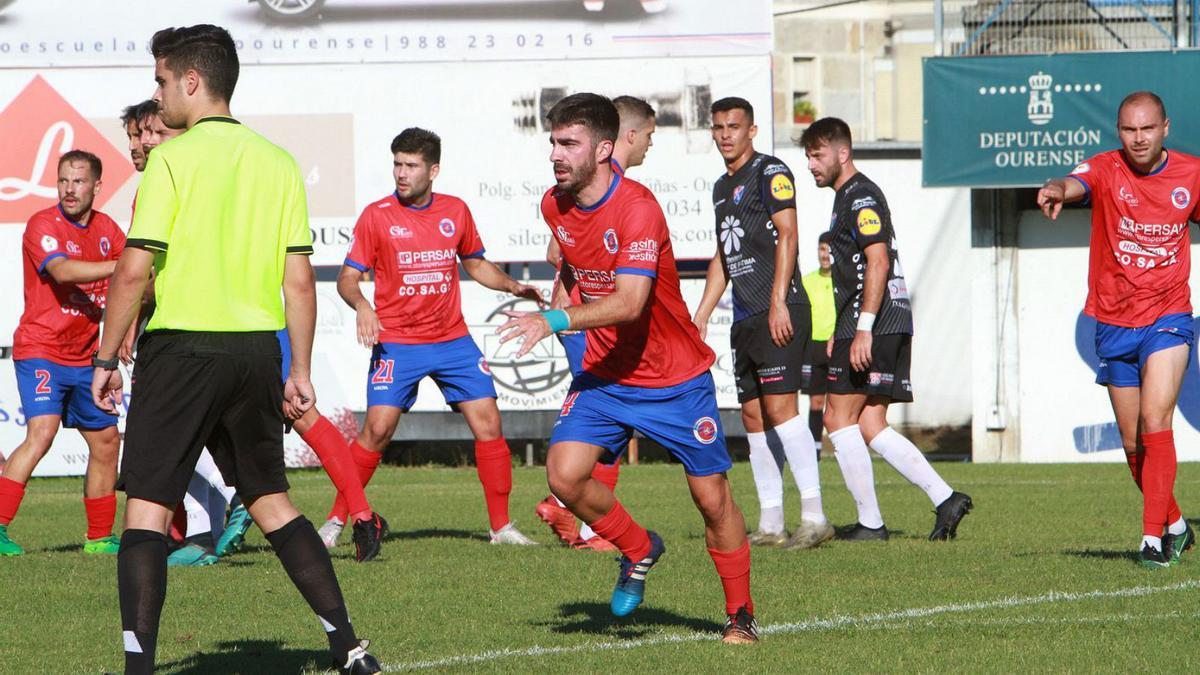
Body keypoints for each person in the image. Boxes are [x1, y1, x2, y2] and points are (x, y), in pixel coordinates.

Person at [90, 25, 379, 673]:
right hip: (254, 353)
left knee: (144, 509)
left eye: (162, 80)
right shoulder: (277, 160)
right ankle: (349, 645)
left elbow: (135, 270)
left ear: (192, 81)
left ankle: (138, 668)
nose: (157, 95)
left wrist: (107, 358)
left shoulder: (171, 158)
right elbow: (299, 278)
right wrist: (299, 366)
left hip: (182, 349)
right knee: (273, 501)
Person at [499, 93, 758, 643]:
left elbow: (632, 302)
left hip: (673, 378)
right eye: (553, 142)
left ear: (604, 148)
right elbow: (567, 258)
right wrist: (564, 303)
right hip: (606, 374)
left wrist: (554, 318)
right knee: (563, 475)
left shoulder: (638, 208)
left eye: (568, 144)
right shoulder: (554, 204)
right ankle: (639, 547)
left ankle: (740, 615)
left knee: (712, 499)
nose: (555, 154)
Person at [326, 127, 540, 547]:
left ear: (433, 169)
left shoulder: (455, 211)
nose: (401, 173)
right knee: (377, 430)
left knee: (489, 423)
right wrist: (364, 306)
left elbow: (475, 264)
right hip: (398, 343)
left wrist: (514, 287)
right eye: (397, 164)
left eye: (411, 165)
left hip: (452, 341)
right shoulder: (377, 215)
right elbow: (347, 279)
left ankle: (501, 528)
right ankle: (335, 521)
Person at [1037, 90, 1197, 568]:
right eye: (1129, 129)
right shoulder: (1107, 168)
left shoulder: (1191, 174)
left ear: (1165, 127)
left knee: (1155, 422)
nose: (1139, 138)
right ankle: (1176, 523)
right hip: (1113, 321)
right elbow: (1073, 182)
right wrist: (1054, 190)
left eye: (1147, 128)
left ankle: (1153, 541)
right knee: (1132, 445)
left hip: (1169, 317)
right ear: (1118, 131)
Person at [801, 116, 972, 542]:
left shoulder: (859, 196)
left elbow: (878, 260)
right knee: (870, 424)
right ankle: (945, 497)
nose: (811, 165)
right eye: (807, 156)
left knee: (838, 419)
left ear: (843, 153)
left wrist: (863, 329)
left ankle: (871, 525)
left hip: (873, 323)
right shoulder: (848, 197)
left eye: (817, 155)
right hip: (886, 321)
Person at [692, 97, 831, 551]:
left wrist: (778, 302)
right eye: (718, 127)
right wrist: (701, 315)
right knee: (753, 415)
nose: (725, 134)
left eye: (734, 126)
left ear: (752, 130)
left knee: (780, 410)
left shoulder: (771, 173)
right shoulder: (719, 187)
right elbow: (724, 256)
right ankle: (771, 522)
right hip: (745, 314)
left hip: (781, 305)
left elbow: (788, 233)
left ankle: (814, 516)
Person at [535, 94, 657, 552]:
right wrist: (565, 308)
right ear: (625, 137)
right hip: (590, 324)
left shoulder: (614, 192)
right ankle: (583, 521)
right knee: (610, 420)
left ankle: (571, 508)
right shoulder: (605, 185)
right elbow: (558, 251)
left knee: (607, 423)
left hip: (580, 321)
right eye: (647, 135)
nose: (649, 145)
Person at [0, 150, 125, 558]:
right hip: (42, 350)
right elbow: (63, 271)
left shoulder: (108, 230)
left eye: (79, 181)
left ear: (97, 186)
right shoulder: (43, 224)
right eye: (63, 181)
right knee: (42, 434)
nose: (70, 190)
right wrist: (118, 266)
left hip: (87, 356)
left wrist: (127, 334)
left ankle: (100, 539)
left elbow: (138, 280)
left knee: (107, 440)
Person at [800, 231, 836, 458]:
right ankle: (814, 449)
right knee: (816, 401)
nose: (826, 254)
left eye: (830, 250)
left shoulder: (843, 280)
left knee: (839, 402)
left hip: (838, 345)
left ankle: (844, 448)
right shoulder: (808, 281)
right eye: (822, 249)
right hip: (814, 347)